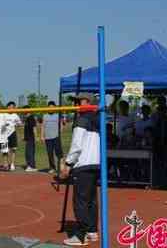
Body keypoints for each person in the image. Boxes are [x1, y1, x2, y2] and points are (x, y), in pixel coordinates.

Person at [60, 93, 100, 246]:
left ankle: (81, 235)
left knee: (81, 201)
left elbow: (76, 145)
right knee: (90, 200)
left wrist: (68, 164)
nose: (76, 104)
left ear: (87, 102)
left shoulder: (82, 120)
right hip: (95, 163)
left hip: (83, 164)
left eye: (78, 101)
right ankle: (91, 231)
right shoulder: (97, 119)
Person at [41, 101, 64, 174]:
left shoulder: (58, 115)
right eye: (49, 107)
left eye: (52, 107)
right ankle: (52, 167)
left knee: (59, 153)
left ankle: (61, 167)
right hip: (48, 138)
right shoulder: (45, 116)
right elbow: (43, 126)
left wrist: (60, 132)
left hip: (56, 137)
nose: (51, 108)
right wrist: (42, 136)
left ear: (54, 107)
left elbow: (61, 124)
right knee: (50, 153)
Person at [5, 101, 22, 171]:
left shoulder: (15, 115)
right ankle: (7, 164)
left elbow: (20, 124)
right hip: (5, 134)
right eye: (10, 107)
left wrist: (17, 124)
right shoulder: (4, 114)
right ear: (8, 107)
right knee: (6, 150)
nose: (11, 108)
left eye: (13, 107)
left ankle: (12, 164)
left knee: (13, 150)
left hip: (13, 134)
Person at [23, 106, 38, 172]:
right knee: (27, 152)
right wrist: (24, 137)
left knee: (30, 152)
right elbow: (27, 129)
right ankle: (30, 165)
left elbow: (34, 128)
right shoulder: (27, 118)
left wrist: (36, 137)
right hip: (27, 138)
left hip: (31, 138)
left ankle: (32, 166)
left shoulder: (31, 118)